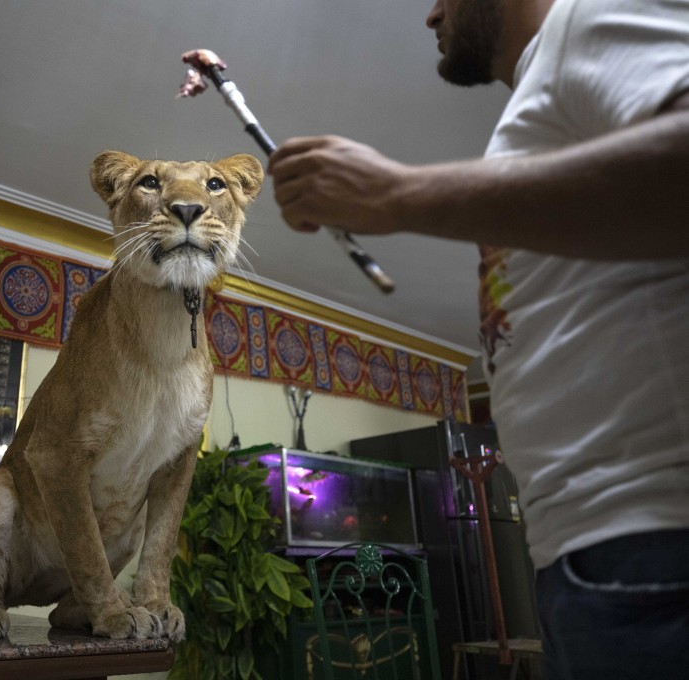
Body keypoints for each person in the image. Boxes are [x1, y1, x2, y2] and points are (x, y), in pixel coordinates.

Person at [268, 0, 689, 678]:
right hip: (585, 557)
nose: (431, 15)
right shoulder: (532, 109)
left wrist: (398, 193)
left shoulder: (591, 17)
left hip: (653, 543)